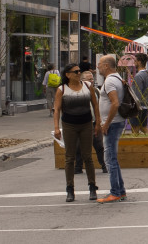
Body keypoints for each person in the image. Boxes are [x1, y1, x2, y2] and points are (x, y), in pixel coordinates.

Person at [52, 63, 101, 202]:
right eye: (75, 72)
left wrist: (98, 122)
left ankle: (92, 187)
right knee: (69, 158)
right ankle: (70, 189)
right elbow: (57, 110)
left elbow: (95, 105)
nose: (79, 73)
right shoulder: (62, 89)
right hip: (69, 125)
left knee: (88, 156)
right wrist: (56, 128)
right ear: (67, 75)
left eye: (79, 71)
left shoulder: (87, 86)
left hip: (86, 124)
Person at [96, 55, 126, 203]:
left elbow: (115, 103)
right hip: (116, 122)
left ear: (107, 66)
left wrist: (106, 123)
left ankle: (115, 191)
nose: (98, 67)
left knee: (110, 159)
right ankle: (120, 190)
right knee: (112, 158)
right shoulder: (117, 78)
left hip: (113, 123)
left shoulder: (109, 81)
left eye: (100, 64)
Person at [74, 70, 106, 174]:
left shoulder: (96, 91)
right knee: (79, 147)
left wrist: (100, 121)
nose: (91, 81)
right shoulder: (77, 91)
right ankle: (78, 166)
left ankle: (104, 165)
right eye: (89, 79)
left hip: (94, 122)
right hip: (80, 123)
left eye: (92, 79)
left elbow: (99, 106)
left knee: (99, 145)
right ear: (82, 80)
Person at [129, 53, 148, 135]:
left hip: (138, 106)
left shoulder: (138, 76)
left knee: (135, 128)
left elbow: (136, 93)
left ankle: (135, 146)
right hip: (145, 104)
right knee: (143, 127)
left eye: (135, 61)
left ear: (139, 62)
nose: (134, 63)